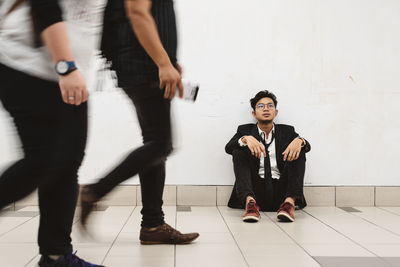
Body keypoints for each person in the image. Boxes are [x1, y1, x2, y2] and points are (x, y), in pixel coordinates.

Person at [79, 0, 199, 245]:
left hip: (141, 65)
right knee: (160, 144)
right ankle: (94, 192)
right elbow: (137, 12)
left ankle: (153, 226)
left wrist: (167, 59)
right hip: (143, 67)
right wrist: (163, 63)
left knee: (155, 145)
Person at [0, 0, 104, 266]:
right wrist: (65, 66)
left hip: (69, 74)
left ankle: (56, 256)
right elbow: (44, 5)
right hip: (27, 64)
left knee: (66, 164)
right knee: (43, 160)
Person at [225, 90, 311, 223]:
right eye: (261, 106)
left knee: (299, 149)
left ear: (276, 112)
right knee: (238, 150)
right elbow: (228, 147)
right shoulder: (245, 130)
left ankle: (289, 205)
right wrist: (245, 139)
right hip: (254, 190)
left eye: (270, 106)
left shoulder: (287, 131)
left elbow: (307, 146)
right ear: (254, 113)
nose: (266, 109)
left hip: (282, 191)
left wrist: (300, 141)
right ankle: (250, 205)